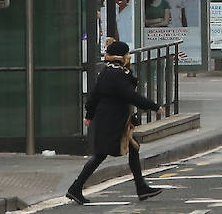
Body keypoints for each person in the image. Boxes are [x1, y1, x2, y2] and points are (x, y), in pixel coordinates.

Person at [65, 41, 163, 205]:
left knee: (132, 148)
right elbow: (131, 96)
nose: (129, 57)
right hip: (111, 122)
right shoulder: (115, 75)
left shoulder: (110, 72)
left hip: (114, 120)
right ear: (122, 57)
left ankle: (141, 187)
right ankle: (75, 188)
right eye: (127, 55)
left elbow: (94, 96)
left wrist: (89, 115)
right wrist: (154, 106)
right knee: (100, 155)